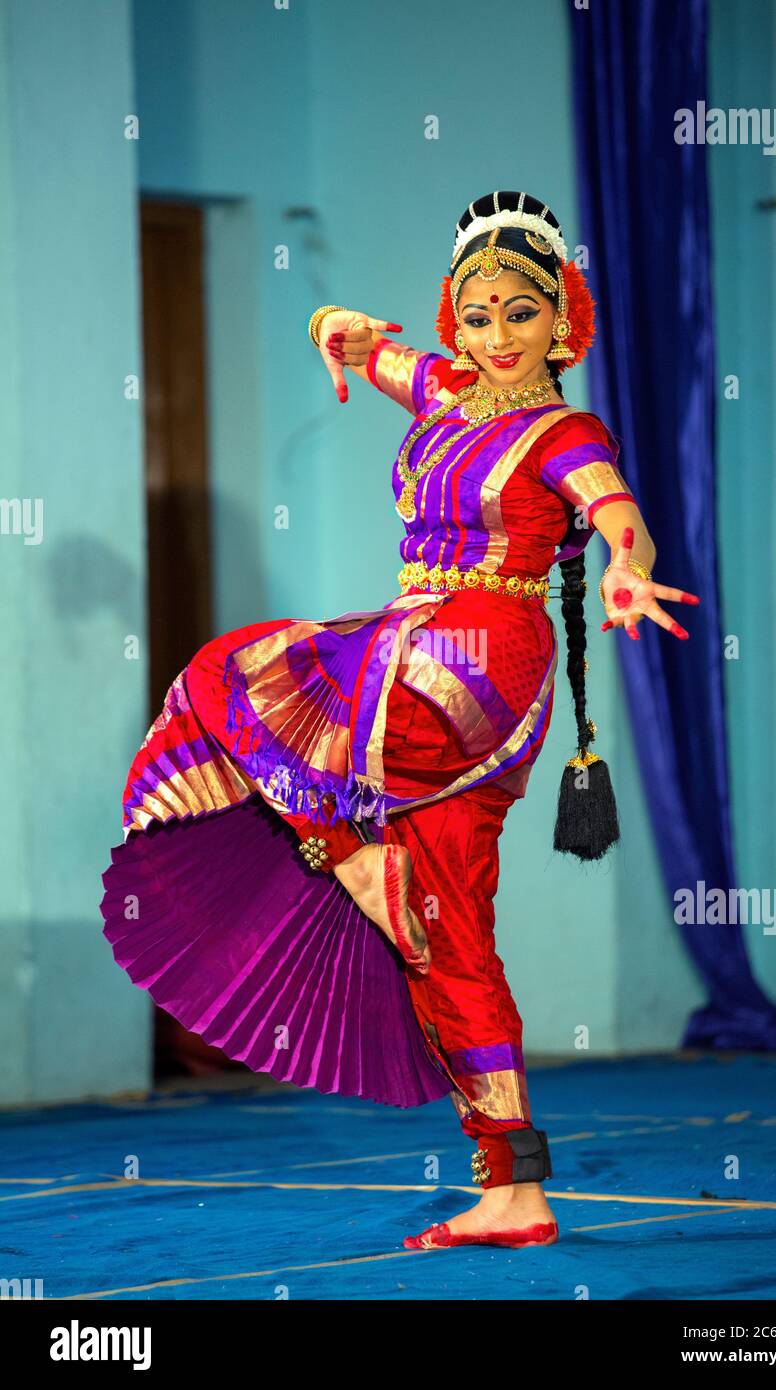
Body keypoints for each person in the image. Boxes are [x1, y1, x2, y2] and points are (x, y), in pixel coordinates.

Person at [100, 190, 699, 1252]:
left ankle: (348, 850)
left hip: (473, 653)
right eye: (475, 316)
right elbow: (353, 340)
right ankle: (513, 1186)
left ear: (563, 318)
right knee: (451, 941)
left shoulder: (563, 428)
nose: (496, 335)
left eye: (520, 312)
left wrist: (626, 569)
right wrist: (334, 334)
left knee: (231, 675)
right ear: (453, 322)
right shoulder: (443, 390)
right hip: (415, 648)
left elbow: (616, 510)